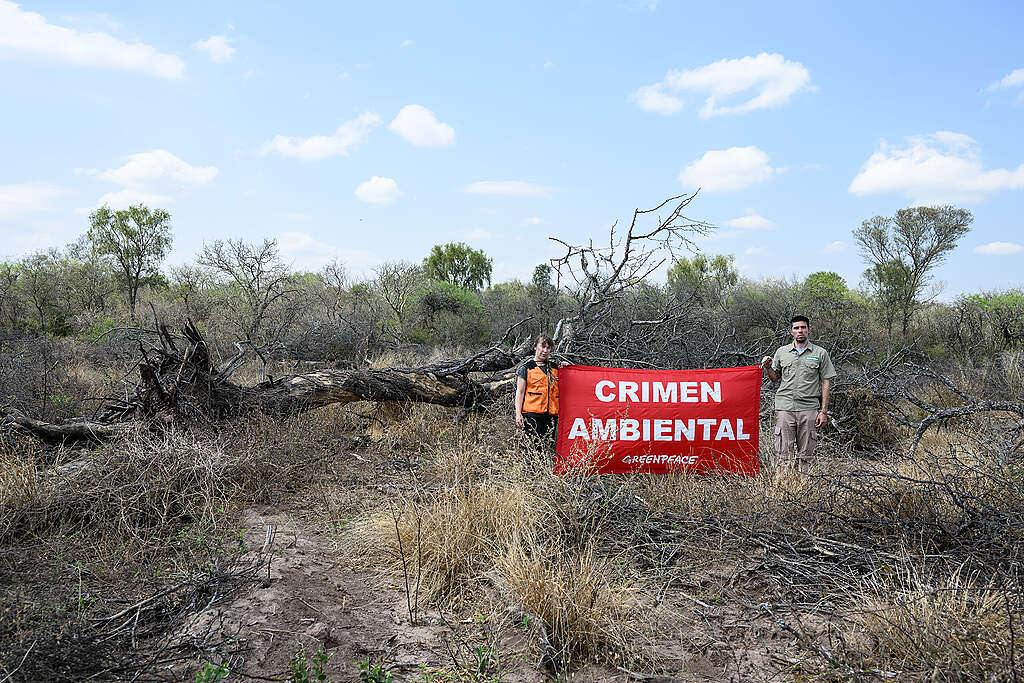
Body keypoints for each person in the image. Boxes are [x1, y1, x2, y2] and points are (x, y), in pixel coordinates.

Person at [761, 315, 837, 471]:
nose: (800, 331)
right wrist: (768, 367)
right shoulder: (782, 352)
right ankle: (783, 487)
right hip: (785, 408)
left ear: (809, 330)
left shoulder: (820, 353)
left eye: (803, 327)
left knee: (806, 455)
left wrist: (823, 412)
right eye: (796, 328)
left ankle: (803, 487)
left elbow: (826, 382)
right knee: (784, 455)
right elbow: (775, 378)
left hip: (809, 409)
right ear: (791, 332)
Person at [515, 334, 559, 447]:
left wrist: (568, 368)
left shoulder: (555, 368)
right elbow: (519, 393)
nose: (545, 350)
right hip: (532, 415)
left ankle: (544, 465)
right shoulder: (526, 368)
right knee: (532, 449)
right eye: (542, 346)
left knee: (547, 447)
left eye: (548, 348)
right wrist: (518, 414)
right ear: (535, 347)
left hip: (551, 416)